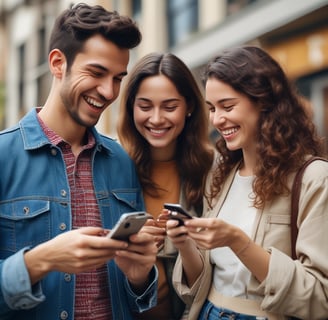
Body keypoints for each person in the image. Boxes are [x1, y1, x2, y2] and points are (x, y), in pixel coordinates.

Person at [0, 4, 158, 320]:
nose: (109, 91)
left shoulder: (122, 162)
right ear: (58, 63)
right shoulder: (4, 156)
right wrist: (40, 261)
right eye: (97, 73)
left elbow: (137, 300)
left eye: (117, 78)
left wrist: (140, 275)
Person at [167, 46, 328, 319]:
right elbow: (203, 285)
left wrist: (239, 243)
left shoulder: (314, 178)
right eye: (212, 108)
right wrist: (185, 243)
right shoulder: (220, 173)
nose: (217, 119)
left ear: (264, 102)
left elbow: (320, 297)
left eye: (227, 106)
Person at [117, 52, 214, 319]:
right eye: (145, 106)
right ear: (130, 108)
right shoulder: (111, 166)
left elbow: (216, 274)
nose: (157, 119)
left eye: (170, 107)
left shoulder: (213, 169)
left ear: (190, 106)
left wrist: (185, 243)